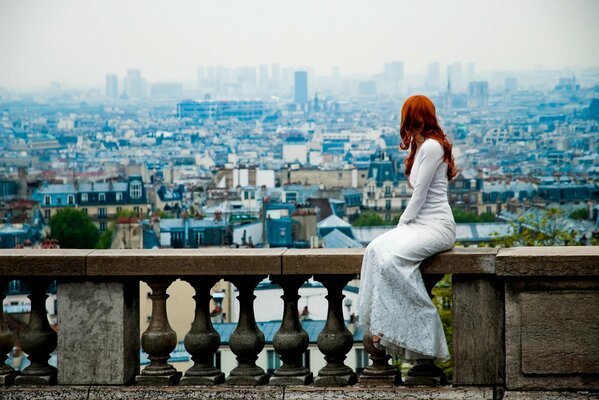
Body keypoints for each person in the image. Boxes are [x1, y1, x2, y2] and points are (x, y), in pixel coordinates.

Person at [357, 94, 457, 361]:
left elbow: (421, 194)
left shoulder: (433, 147)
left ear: (412, 117)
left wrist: (401, 225)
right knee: (374, 249)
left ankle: (421, 328)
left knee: (393, 262)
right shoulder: (421, 146)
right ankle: (381, 321)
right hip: (419, 225)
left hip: (436, 226)